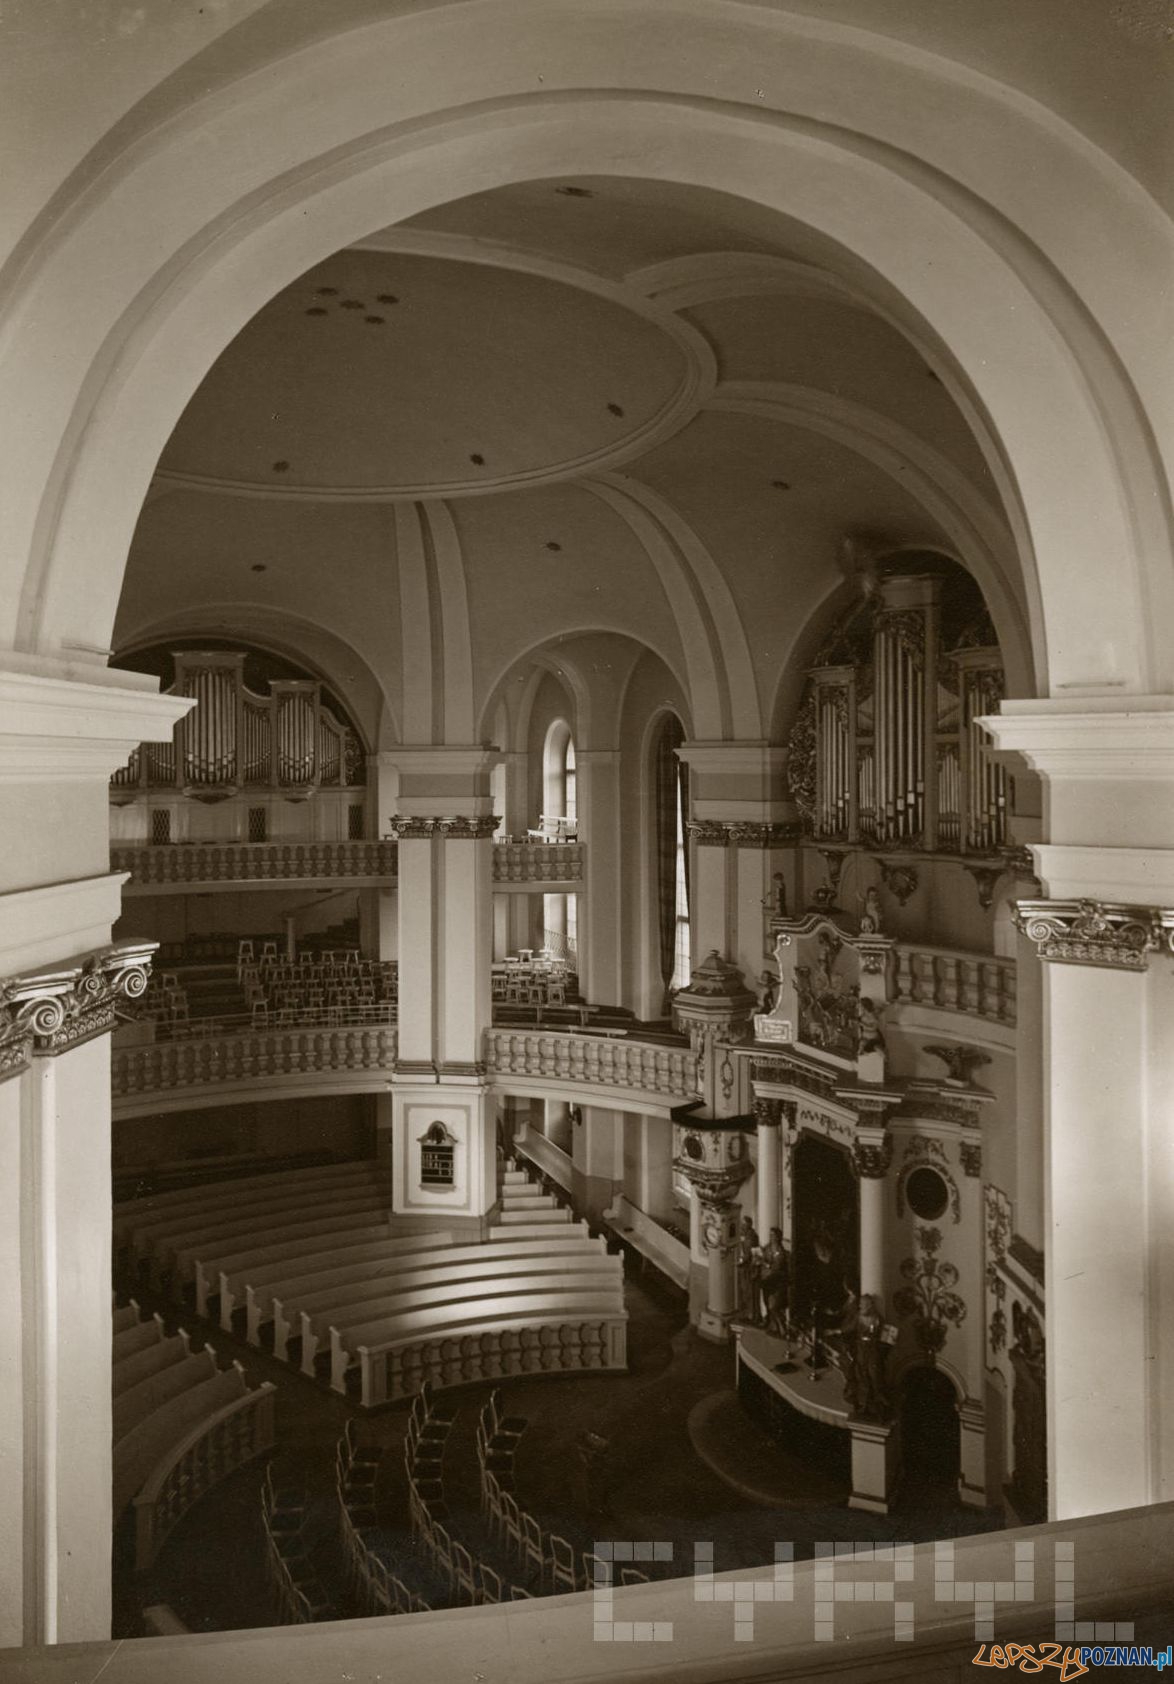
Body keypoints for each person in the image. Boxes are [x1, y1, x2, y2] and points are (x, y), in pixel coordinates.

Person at [759, 1226, 790, 1336]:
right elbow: (763, 1257)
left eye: (773, 1235)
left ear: (778, 1237)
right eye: (770, 1235)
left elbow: (776, 1267)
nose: (771, 1237)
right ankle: (773, 1326)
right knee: (767, 1304)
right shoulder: (768, 1247)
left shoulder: (780, 1251)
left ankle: (782, 1329)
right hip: (766, 1280)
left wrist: (766, 1264)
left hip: (776, 1283)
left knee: (774, 1306)